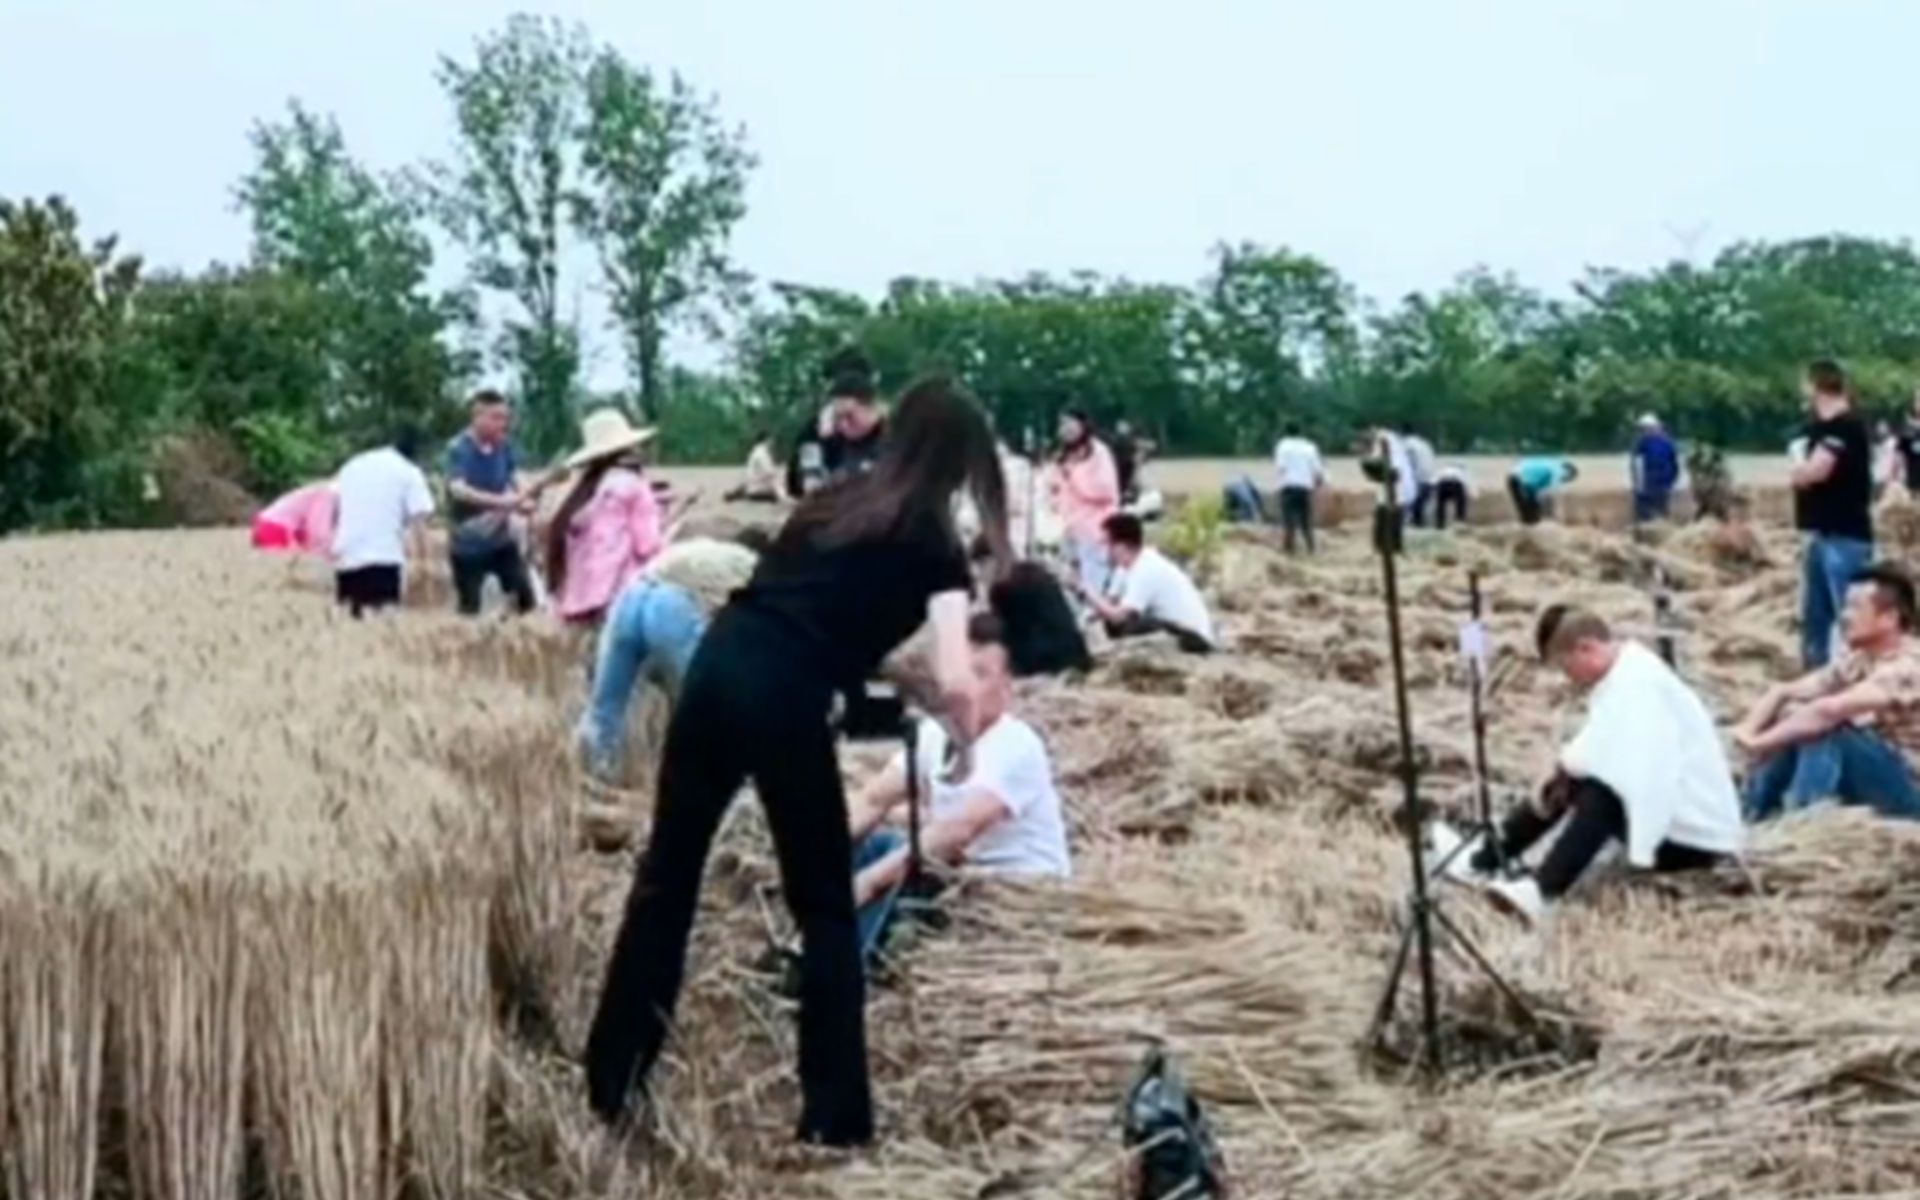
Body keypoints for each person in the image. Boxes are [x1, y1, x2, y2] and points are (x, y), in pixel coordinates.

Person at [584, 377, 1014, 1147]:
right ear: (960, 460)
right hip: (784, 700)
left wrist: (890, 678)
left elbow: (813, 613)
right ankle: (835, 1119)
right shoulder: (934, 546)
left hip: (719, 667)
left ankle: (613, 1080)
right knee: (822, 910)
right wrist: (968, 741)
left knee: (666, 880)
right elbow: (954, 674)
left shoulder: (835, 501)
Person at [1446, 606, 1742, 924]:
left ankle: (1542, 891)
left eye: (1566, 666)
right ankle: (1487, 858)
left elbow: (1646, 774)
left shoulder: (1640, 686)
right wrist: (1563, 770)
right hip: (1680, 825)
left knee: (1603, 795)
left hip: (1694, 839)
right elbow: (1596, 748)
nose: (1568, 678)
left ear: (1587, 648)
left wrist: (1639, 849)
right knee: (1566, 781)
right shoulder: (1625, 677)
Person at [843, 614, 1071, 965]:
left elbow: (953, 834)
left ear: (1008, 687)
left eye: (979, 675)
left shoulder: (1017, 746)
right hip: (953, 869)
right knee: (872, 846)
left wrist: (868, 883)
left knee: (898, 875)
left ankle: (843, 966)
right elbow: (875, 798)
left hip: (1008, 890)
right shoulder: (936, 733)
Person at [1736, 565, 1920, 820]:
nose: (1844, 615)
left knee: (1824, 730)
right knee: (1795, 718)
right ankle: (1750, 815)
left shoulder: (1908, 665)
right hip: (1875, 770)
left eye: (1856, 607)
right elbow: (1785, 691)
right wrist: (1746, 732)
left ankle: (1801, 826)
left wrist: (1760, 742)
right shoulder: (1859, 659)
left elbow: (1829, 710)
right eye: (1846, 606)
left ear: (1889, 618)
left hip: (1909, 790)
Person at [576, 533, 765, 779]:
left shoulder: (709, 551)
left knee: (605, 710)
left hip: (631, 596)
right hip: (672, 607)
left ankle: (593, 776)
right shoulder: (762, 572)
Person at [545, 409, 664, 627]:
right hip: (626, 596)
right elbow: (647, 546)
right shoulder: (634, 486)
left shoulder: (584, 494)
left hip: (580, 601)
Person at [445, 389, 557, 618]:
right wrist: (503, 503)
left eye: (505, 418)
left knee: (524, 598)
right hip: (468, 541)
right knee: (470, 607)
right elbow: (458, 489)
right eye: (496, 417)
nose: (503, 424)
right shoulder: (459, 448)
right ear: (478, 416)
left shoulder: (504, 447)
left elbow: (515, 477)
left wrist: (526, 497)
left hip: (501, 539)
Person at [1792, 359, 1875, 669]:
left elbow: (1816, 472)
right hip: (1820, 533)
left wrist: (1800, 470)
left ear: (1816, 385)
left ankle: (1855, 675)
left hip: (1844, 535)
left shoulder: (1846, 426)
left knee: (1850, 615)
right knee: (1816, 617)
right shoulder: (1816, 428)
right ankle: (1817, 677)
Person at [329, 429, 436, 619]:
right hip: (383, 559)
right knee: (384, 625)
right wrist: (425, 565)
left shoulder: (352, 466)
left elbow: (334, 511)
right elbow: (420, 523)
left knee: (350, 627)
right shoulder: (409, 472)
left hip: (347, 560)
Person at [1078, 513, 1217, 653]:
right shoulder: (1125, 568)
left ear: (1121, 545)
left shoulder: (1145, 568)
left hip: (1193, 636)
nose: (1102, 550)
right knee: (1113, 626)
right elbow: (1109, 604)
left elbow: (1119, 616)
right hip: (1176, 627)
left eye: (1106, 544)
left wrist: (1084, 590)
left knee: (1129, 625)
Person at [1051, 408, 1122, 595]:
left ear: (1083, 425)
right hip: (1069, 529)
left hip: (1095, 531)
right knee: (1069, 583)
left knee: (1093, 587)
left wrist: (1073, 476)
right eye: (1062, 424)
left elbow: (1105, 490)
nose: (1065, 429)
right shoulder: (1063, 455)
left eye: (1070, 423)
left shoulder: (1099, 453)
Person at [819, 351, 887, 483]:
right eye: (838, 418)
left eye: (850, 416)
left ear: (871, 407)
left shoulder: (895, 442)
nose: (843, 425)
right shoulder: (835, 445)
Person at [252, 478, 337, 560]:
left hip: (270, 526)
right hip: (277, 529)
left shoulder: (327, 490)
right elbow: (317, 530)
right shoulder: (328, 494)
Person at [1273, 423, 1325, 554]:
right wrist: (1318, 484)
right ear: (1301, 432)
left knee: (1289, 521)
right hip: (1305, 488)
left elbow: (1281, 468)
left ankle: (1289, 550)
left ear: (1286, 432)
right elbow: (1318, 470)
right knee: (1306, 521)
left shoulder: (1283, 446)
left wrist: (1278, 485)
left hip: (1289, 487)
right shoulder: (1309, 447)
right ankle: (1311, 549)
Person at [1630, 414, 1681, 523]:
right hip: (1653, 485)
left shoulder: (1645, 444)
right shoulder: (1665, 443)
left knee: (1654, 512)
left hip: (1655, 484)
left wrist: (1671, 480)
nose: (1642, 432)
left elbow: (1674, 464)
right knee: (1653, 513)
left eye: (1643, 429)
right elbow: (1636, 465)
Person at [1507, 457, 1578, 526]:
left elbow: (1537, 491)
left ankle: (1530, 522)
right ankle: (1531, 523)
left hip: (1516, 478)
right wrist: (1560, 518)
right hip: (1519, 479)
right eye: (1566, 478)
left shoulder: (1549, 467)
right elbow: (1554, 495)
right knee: (1530, 515)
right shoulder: (1558, 470)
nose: (1563, 481)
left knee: (1530, 515)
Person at [725, 430, 784, 503]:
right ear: (767, 440)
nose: (773, 443)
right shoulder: (762, 454)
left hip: (751, 486)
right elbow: (769, 473)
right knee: (775, 496)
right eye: (771, 440)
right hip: (757, 490)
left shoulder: (755, 451)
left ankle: (739, 494)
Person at [1404, 426, 1439, 527]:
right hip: (1431, 479)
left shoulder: (1407, 444)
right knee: (1421, 509)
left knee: (1412, 508)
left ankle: (1414, 525)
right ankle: (1421, 524)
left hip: (1418, 480)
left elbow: (1408, 463)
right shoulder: (1425, 443)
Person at [1893, 391, 1920, 494]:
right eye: (1918, 400)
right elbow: (1898, 455)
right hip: (1913, 486)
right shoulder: (1908, 429)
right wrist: (1893, 479)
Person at [1433, 463, 1473, 530]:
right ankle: (1460, 521)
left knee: (1440, 505)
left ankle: (1440, 524)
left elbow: (1435, 481)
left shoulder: (1444, 470)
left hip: (1443, 484)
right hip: (1455, 484)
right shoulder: (1461, 472)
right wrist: (1470, 494)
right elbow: (1466, 483)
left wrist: (1435, 491)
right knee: (1461, 503)